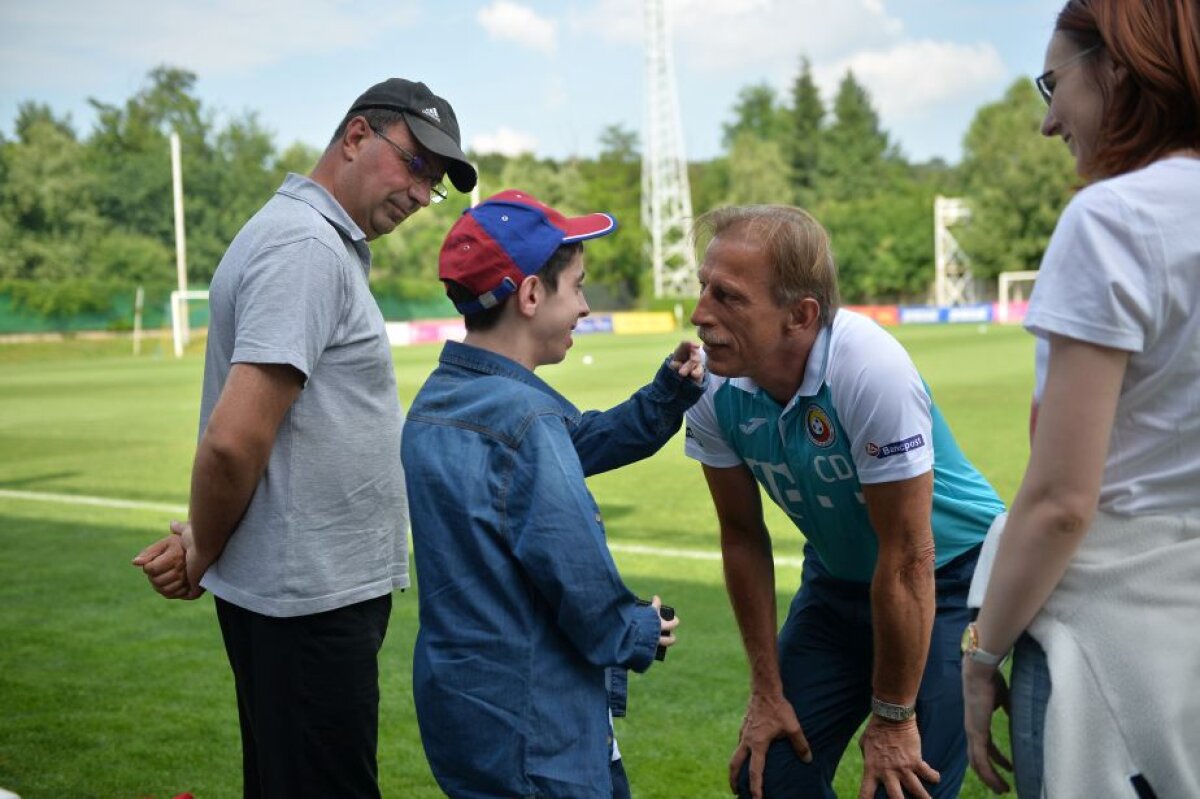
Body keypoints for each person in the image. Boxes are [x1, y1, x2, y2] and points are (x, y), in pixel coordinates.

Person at [130, 78, 476, 798]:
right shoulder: (307, 247)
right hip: (308, 602)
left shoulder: (310, 239)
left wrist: (203, 536)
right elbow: (233, 441)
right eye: (416, 166)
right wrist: (203, 546)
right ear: (355, 137)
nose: (420, 195)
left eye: (434, 186)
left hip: (303, 594)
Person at [682, 204, 1005, 799]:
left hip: (949, 577)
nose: (700, 313)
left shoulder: (867, 367)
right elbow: (741, 536)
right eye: (703, 288)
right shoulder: (711, 387)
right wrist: (766, 690)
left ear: (800, 315)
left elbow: (909, 555)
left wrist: (894, 716)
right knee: (767, 776)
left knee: (904, 785)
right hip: (840, 582)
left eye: (727, 297)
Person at [962, 1, 1200, 796]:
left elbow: (1063, 498)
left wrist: (981, 651)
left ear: (1119, 68)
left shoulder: (1115, 219)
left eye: (1051, 84)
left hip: (1106, 652)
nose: (1048, 121)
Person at [403, 189, 703, 798]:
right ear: (532, 295)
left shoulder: (437, 402)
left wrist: (666, 395)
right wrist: (638, 629)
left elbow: (577, 443)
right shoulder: (525, 420)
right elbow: (574, 570)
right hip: (536, 725)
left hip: (465, 710)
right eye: (578, 286)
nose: (587, 306)